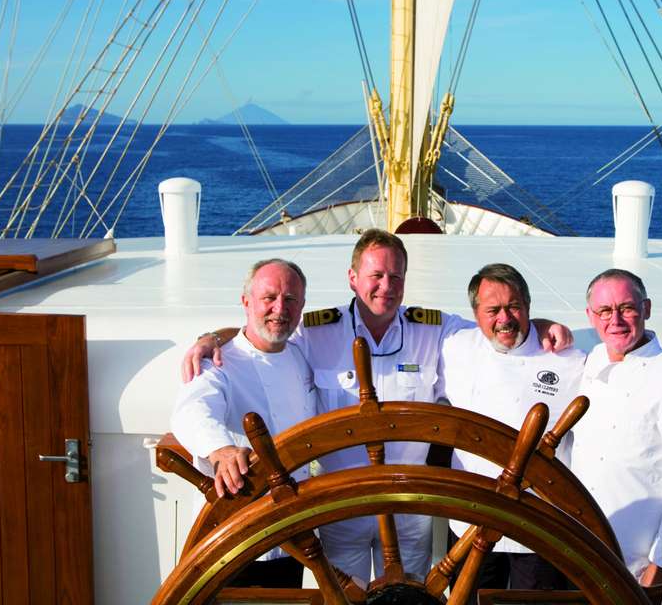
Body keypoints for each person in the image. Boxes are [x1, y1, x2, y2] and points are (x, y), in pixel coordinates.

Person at [178, 229, 575, 584]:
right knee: (343, 596)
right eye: (376, 275)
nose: (386, 286)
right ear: (353, 278)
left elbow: (495, 328)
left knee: (407, 597)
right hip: (339, 506)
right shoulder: (316, 331)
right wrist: (212, 338)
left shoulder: (433, 329)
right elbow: (261, 336)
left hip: (409, 507)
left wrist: (539, 325)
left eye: (395, 277)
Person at [438, 263, 587, 595]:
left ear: (528, 306)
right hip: (470, 518)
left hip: (538, 526)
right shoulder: (454, 347)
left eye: (514, 306)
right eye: (493, 310)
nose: (504, 318)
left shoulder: (570, 361)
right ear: (476, 315)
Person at [171, 258, 316, 588]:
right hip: (234, 531)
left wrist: (212, 334)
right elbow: (191, 410)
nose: (280, 309)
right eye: (269, 298)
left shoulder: (302, 355)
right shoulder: (217, 362)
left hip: (289, 531)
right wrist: (220, 450)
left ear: (302, 306)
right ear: (246, 302)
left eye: (290, 299)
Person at [572, 268, 662, 586]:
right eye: (605, 311)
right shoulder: (592, 361)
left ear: (646, 309)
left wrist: (661, 568)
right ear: (590, 317)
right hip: (581, 555)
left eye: (626, 308)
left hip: (638, 572)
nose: (615, 320)